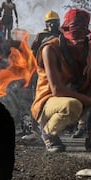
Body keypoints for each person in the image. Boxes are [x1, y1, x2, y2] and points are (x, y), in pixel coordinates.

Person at [30, 8, 91, 153]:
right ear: (64, 29)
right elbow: (57, 90)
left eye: (81, 32)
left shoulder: (89, 48)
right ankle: (48, 132)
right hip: (49, 102)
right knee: (73, 105)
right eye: (74, 31)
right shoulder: (49, 48)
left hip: (77, 96)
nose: (77, 37)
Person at [21, 10, 61, 143]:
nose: (53, 26)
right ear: (46, 24)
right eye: (51, 23)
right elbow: (32, 54)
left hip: (57, 74)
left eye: (55, 23)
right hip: (40, 73)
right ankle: (35, 132)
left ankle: (51, 131)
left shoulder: (62, 36)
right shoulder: (41, 36)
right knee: (37, 100)